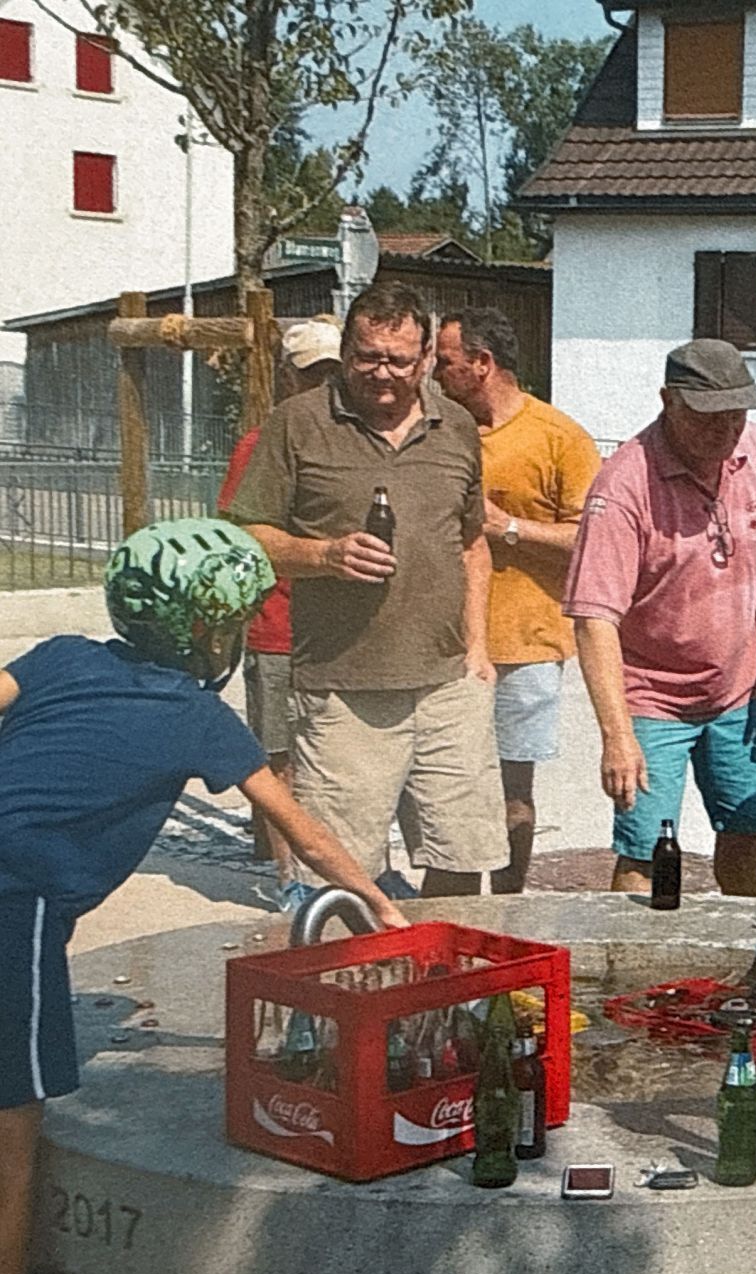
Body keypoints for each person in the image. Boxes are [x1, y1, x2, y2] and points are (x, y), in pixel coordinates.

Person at [0, 519, 404, 1274]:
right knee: (10, 1149)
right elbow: (301, 829)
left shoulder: (63, 655)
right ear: (211, 636)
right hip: (11, 903)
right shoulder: (198, 716)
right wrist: (380, 905)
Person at [224, 280, 507, 896]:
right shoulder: (297, 423)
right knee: (342, 868)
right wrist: (322, 554)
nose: (383, 374)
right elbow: (244, 535)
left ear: (427, 358)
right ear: (347, 349)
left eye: (400, 360)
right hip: (343, 687)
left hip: (448, 685)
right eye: (367, 356)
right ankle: (356, 987)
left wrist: (479, 649)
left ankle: (440, 988)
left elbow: (472, 541)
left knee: (462, 855)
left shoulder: (456, 425)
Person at [563, 340, 756, 899]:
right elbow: (595, 620)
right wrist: (617, 737)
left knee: (748, 828)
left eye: (737, 415)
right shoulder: (623, 488)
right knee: (643, 848)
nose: (726, 431)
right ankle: (626, 973)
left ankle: (744, 952)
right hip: (651, 700)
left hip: (738, 693)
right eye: (710, 417)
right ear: (669, 401)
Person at [432, 307, 600, 895]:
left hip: (524, 644)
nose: (434, 372)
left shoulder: (560, 439)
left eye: (445, 361)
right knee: (443, 790)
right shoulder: (435, 427)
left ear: (482, 364)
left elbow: (592, 541)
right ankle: (448, 917)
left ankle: (507, 909)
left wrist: (509, 528)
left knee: (512, 794)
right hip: (442, 641)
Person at [214, 317, 342, 909]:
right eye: (313, 374)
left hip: (342, 632)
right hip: (277, 627)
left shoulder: (357, 440)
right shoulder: (260, 444)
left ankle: (341, 864)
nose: (324, 385)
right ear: (289, 377)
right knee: (278, 756)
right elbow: (234, 537)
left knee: (338, 754)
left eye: (334, 373)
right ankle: (290, 874)